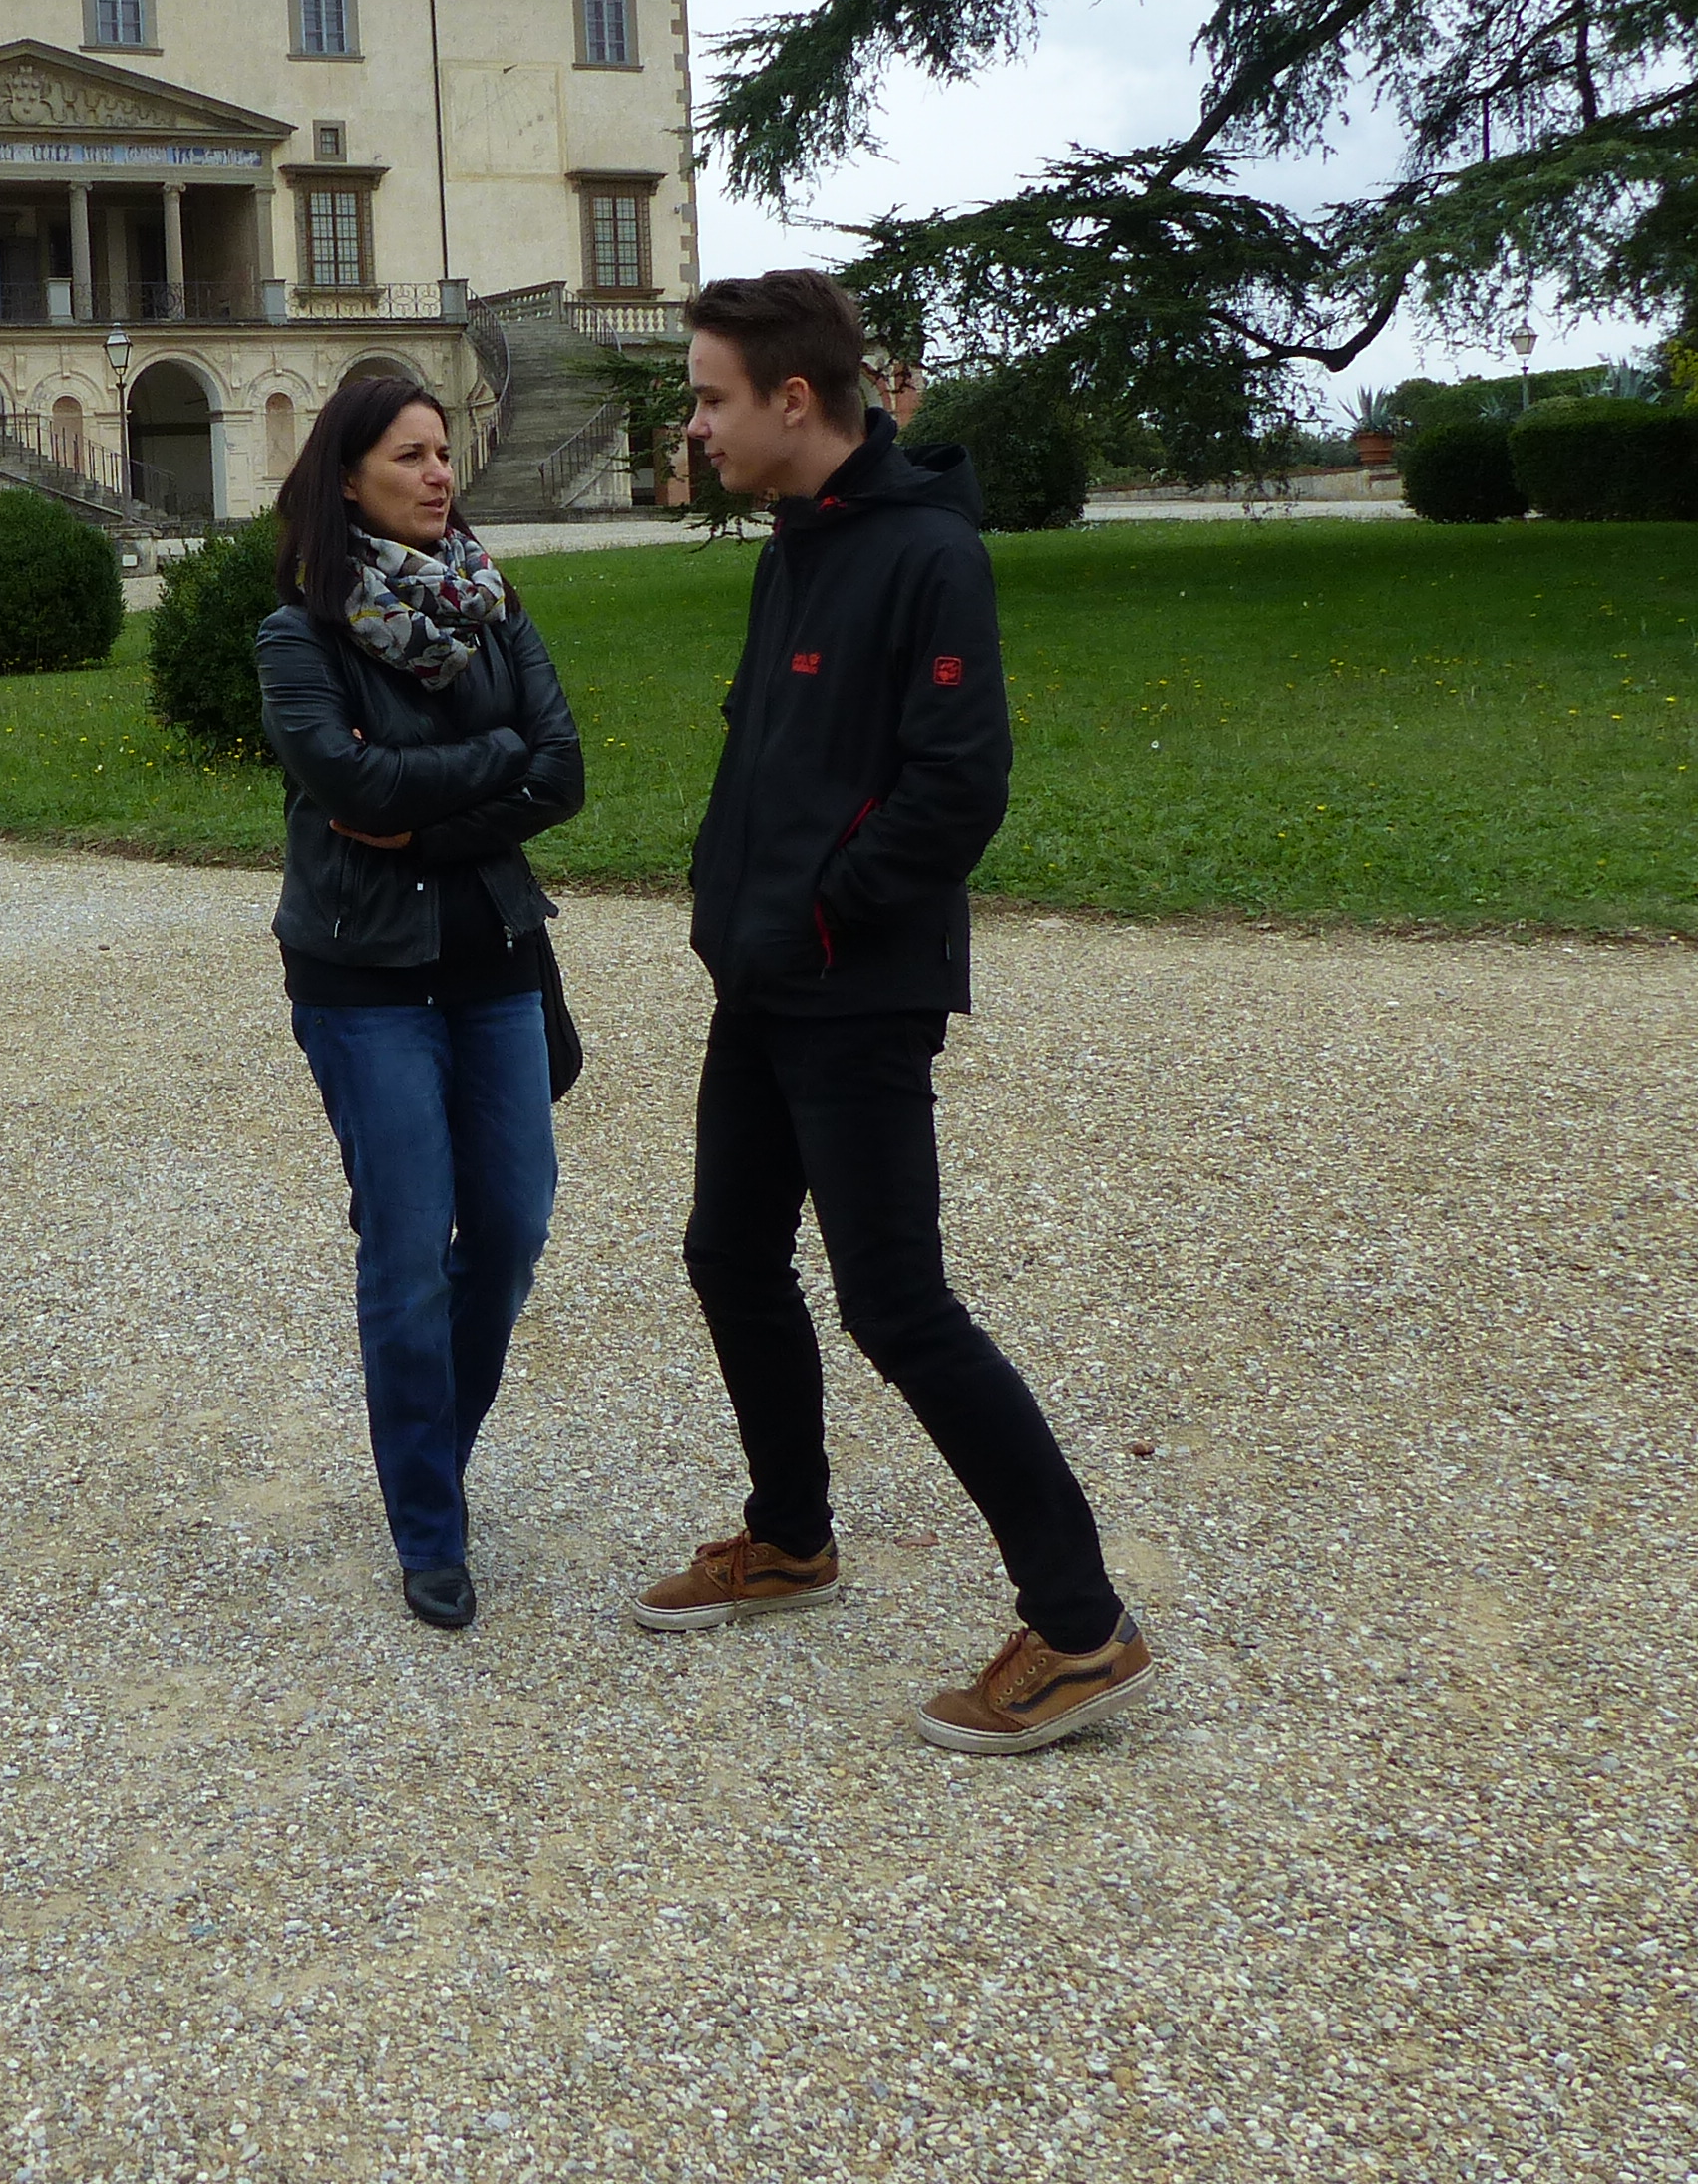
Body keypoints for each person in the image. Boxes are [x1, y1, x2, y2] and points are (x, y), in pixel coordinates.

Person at [628, 268, 1156, 1756]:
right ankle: (791, 1537)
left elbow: (957, 788)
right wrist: (742, 912)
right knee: (729, 1253)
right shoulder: (796, 545)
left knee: (897, 1303)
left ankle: (1080, 1628)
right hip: (763, 976)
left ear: (794, 399)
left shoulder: (929, 554)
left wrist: (817, 911)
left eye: (712, 397)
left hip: (853, 985)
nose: (696, 424)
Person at [256, 373, 584, 1631]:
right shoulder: (299, 637)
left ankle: (429, 1454)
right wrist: (488, 766)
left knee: (508, 1231)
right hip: (364, 978)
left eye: (443, 451)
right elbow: (351, 786)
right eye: (409, 455)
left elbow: (559, 773)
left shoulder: (493, 607)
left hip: (494, 958)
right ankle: (430, 1525)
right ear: (348, 479)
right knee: (406, 1252)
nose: (439, 473)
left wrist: (433, 804)